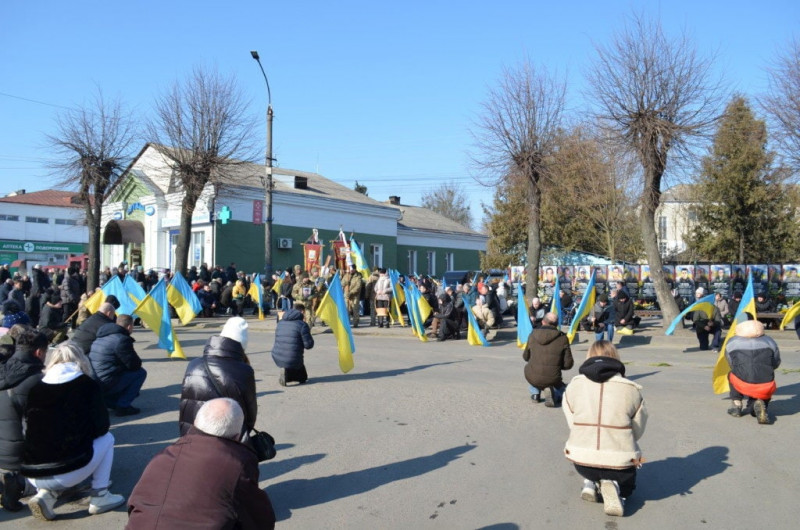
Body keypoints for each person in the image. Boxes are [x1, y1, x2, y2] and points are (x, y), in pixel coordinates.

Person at [126, 398, 276, 529]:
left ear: (196, 422)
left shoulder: (163, 456)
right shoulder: (236, 464)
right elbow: (259, 519)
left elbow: (134, 504)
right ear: (237, 434)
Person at [21, 342, 125, 520]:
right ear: (81, 360)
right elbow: (102, 427)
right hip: (68, 470)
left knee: (50, 448)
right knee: (107, 438)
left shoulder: (36, 388)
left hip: (33, 473)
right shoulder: (87, 385)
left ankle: (46, 494)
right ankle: (100, 495)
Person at [563, 340, 647, 517]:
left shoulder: (574, 386)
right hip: (620, 462)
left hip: (581, 459)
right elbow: (637, 430)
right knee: (630, 478)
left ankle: (590, 482)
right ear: (615, 357)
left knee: (589, 448)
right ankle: (618, 489)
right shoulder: (631, 389)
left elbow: (573, 424)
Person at [179, 317, 257, 442]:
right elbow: (250, 414)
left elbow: (185, 404)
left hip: (192, 433)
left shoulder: (193, 364)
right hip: (227, 437)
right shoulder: (244, 371)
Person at [0, 329, 47, 511]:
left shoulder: (2, 368)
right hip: (16, 456)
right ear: (39, 352)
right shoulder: (36, 381)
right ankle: (20, 484)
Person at [88, 314, 147, 416]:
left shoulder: (101, 336)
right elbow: (134, 364)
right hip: (106, 381)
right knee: (140, 373)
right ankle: (123, 406)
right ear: (129, 326)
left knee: (124, 373)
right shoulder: (121, 339)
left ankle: (109, 401)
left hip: (95, 380)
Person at [725, 319, 781, 424]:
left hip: (742, 382)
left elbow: (732, 364)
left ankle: (737, 404)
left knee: (732, 374)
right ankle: (757, 403)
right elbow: (776, 362)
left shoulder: (732, 342)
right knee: (762, 377)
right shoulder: (770, 341)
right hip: (767, 385)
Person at [523, 312, 574, 406]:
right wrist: (557, 364)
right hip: (553, 377)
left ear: (543, 322)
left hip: (533, 375)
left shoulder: (532, 335)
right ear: (557, 324)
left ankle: (535, 393)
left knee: (532, 371)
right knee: (563, 389)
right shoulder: (563, 338)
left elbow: (526, 357)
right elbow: (568, 364)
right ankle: (555, 394)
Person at [271, 302, 315, 386]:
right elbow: (308, 345)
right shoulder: (302, 325)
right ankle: (287, 374)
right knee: (302, 378)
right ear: (302, 312)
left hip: (277, 355)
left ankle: (285, 369)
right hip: (293, 357)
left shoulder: (280, 323)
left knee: (292, 361)